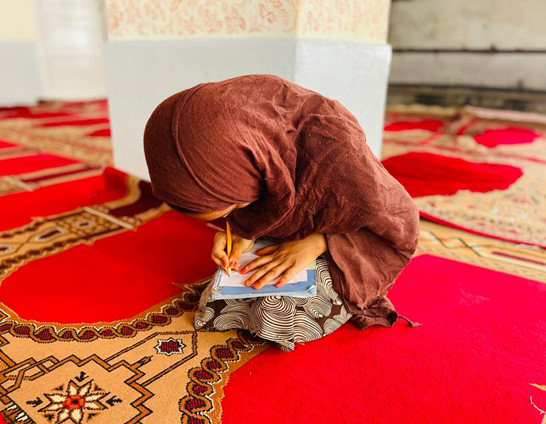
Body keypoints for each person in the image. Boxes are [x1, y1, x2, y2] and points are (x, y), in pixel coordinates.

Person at [143, 75, 419, 351]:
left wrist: (318, 243)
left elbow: (400, 225)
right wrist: (241, 233)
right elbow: (267, 201)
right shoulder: (249, 145)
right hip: (289, 225)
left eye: (233, 207)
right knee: (221, 294)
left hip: (350, 242)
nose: (232, 215)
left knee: (279, 310)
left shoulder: (340, 157)